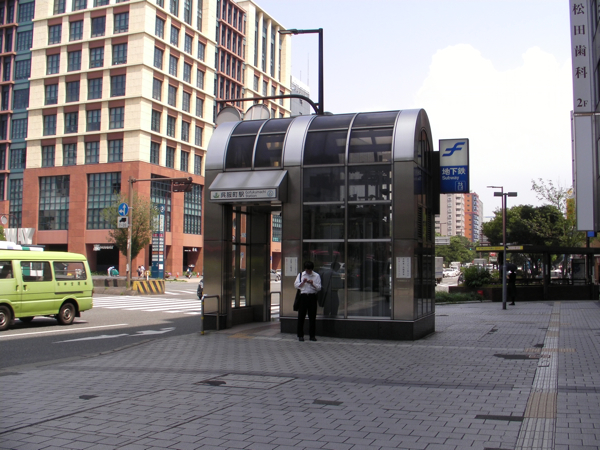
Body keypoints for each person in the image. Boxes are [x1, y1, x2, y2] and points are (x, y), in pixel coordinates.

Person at [294, 261, 321, 342]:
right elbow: (296, 285)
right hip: (303, 296)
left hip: (312, 297)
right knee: (301, 316)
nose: (308, 272)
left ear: (312, 269)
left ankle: (312, 335)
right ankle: (300, 335)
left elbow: (319, 288)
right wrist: (303, 282)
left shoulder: (316, 276)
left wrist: (312, 284)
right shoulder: (301, 275)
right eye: (307, 270)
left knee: (312, 317)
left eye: (309, 270)